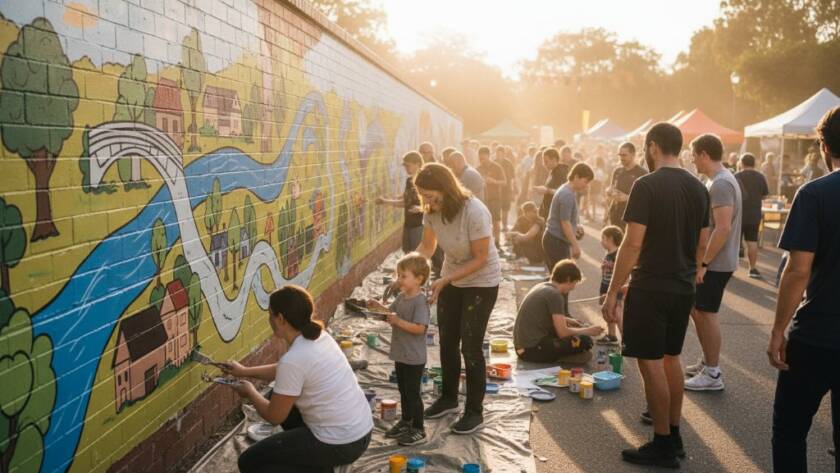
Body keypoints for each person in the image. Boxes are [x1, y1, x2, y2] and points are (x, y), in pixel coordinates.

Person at [602, 122, 710, 468]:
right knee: (670, 358)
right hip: (682, 286)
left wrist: (613, 291)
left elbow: (632, 243)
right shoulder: (698, 187)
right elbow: (703, 242)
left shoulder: (645, 185)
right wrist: (691, 270)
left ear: (651, 147)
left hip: (651, 286)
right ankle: (673, 434)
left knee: (651, 365)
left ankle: (662, 442)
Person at [228, 286, 373, 473]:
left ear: (280, 319)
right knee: (276, 395)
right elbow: (285, 371)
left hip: (341, 443)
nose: (268, 320)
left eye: (270, 314)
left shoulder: (295, 358)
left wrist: (249, 391)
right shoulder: (320, 337)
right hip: (361, 431)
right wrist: (244, 371)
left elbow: (274, 416)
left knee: (250, 462)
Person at [769, 106, 840, 473]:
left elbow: (798, 271)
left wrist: (778, 330)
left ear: (823, 147)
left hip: (815, 335)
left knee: (790, 431)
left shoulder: (814, 194)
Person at [414, 163, 501, 434]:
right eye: (422, 196)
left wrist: (446, 279)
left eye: (430, 195)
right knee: (447, 340)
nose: (426, 201)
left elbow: (481, 257)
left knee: (471, 347)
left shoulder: (474, 211)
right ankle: (449, 398)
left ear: (446, 188)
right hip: (451, 277)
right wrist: (407, 269)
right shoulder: (431, 213)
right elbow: (427, 247)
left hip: (481, 282)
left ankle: (475, 411)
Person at [684, 134, 742, 392]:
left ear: (704, 154)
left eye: (693, 154)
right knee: (699, 311)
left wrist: (703, 263)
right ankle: (709, 362)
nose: (692, 159)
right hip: (714, 261)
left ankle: (713, 373)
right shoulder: (719, 180)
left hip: (716, 262)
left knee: (706, 314)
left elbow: (723, 228)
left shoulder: (720, 184)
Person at [367, 253, 431, 446]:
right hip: (401, 354)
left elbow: (420, 329)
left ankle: (419, 429)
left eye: (404, 276)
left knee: (413, 393)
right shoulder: (402, 297)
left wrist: (398, 321)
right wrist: (379, 308)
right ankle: (406, 421)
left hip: (414, 357)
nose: (399, 280)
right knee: (403, 391)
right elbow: (390, 314)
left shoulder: (420, 301)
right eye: (399, 276)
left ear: (419, 279)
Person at [514, 259, 604, 363]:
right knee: (585, 340)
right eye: (574, 283)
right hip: (531, 350)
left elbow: (543, 313)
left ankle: (564, 355)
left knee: (575, 333)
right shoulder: (555, 295)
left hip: (522, 347)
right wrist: (588, 330)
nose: (573, 288)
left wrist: (567, 320)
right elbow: (562, 332)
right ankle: (562, 358)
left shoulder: (543, 286)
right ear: (568, 279)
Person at [542, 162, 593, 269]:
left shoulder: (567, 189)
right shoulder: (567, 194)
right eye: (585, 181)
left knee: (557, 279)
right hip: (556, 242)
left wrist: (576, 226)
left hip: (554, 239)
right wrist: (575, 245)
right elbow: (565, 222)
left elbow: (567, 219)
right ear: (576, 177)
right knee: (562, 280)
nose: (586, 185)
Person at [376, 151, 424, 253]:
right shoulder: (409, 181)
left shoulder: (425, 180)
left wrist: (421, 209)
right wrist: (386, 201)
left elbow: (437, 203)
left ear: (418, 164)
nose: (406, 169)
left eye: (408, 166)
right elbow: (406, 203)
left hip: (420, 225)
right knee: (407, 252)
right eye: (405, 166)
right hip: (408, 224)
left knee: (417, 256)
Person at [735, 153, 770, 278]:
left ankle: (730, 269)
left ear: (741, 163)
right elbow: (765, 195)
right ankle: (752, 268)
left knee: (734, 242)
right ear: (754, 163)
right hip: (754, 213)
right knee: (752, 241)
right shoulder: (760, 177)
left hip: (738, 214)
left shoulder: (736, 176)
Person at [608, 142, 647, 230]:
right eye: (620, 155)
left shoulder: (642, 173)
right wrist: (609, 192)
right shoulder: (617, 171)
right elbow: (611, 188)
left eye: (624, 155)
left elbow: (646, 199)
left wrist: (627, 198)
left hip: (631, 219)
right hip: (614, 214)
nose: (621, 158)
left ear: (633, 155)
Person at [477, 146, 507, 251]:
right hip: (482, 200)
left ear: (489, 156)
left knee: (496, 221)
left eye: (483, 159)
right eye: (480, 159)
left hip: (495, 198)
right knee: (484, 222)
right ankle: (487, 243)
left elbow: (504, 182)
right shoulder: (478, 169)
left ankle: (497, 242)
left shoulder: (497, 167)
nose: (482, 161)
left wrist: (494, 181)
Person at [599, 225, 624, 344]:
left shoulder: (618, 254)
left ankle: (625, 337)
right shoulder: (608, 253)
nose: (601, 241)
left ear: (610, 239)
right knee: (607, 309)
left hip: (615, 287)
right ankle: (612, 334)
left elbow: (623, 269)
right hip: (605, 284)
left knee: (617, 312)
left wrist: (611, 266)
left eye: (603, 238)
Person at [535, 148, 569, 219]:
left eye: (546, 162)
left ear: (554, 160)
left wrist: (547, 190)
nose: (544, 164)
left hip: (555, 215)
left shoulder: (561, 173)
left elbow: (564, 193)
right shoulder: (553, 171)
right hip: (548, 212)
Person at [494, 145, 517, 232]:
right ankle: (497, 226)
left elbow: (512, 177)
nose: (499, 155)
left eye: (501, 154)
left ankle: (504, 225)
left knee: (505, 208)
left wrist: (512, 189)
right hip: (496, 189)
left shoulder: (508, 163)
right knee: (496, 208)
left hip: (506, 189)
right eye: (498, 153)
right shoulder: (493, 163)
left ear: (504, 154)